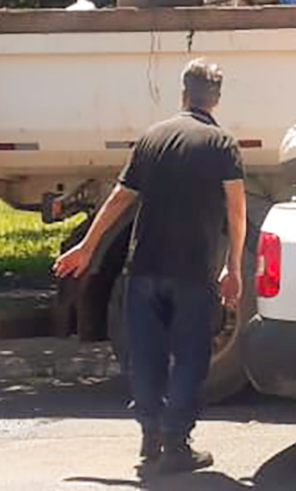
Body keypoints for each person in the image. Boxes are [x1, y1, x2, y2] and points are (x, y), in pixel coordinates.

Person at [53, 59, 246, 477]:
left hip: (143, 270)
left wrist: (88, 247)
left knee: (146, 356)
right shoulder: (221, 143)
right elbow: (236, 209)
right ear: (214, 98)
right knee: (192, 356)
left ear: (182, 93)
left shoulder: (152, 137)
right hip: (193, 270)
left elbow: (119, 199)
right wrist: (234, 267)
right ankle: (176, 443)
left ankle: (149, 437)